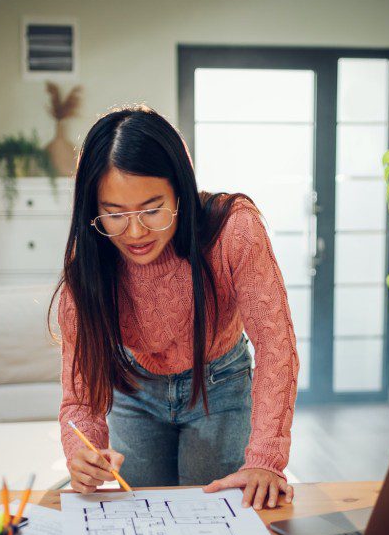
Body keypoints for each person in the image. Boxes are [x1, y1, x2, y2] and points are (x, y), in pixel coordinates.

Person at [51, 104, 299, 510]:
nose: (134, 232)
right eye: (114, 214)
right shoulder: (90, 266)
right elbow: (80, 391)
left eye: (152, 210)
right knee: (143, 513)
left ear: (180, 192)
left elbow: (277, 346)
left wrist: (267, 459)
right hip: (134, 389)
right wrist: (85, 452)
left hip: (219, 385)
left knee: (216, 514)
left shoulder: (233, 229)